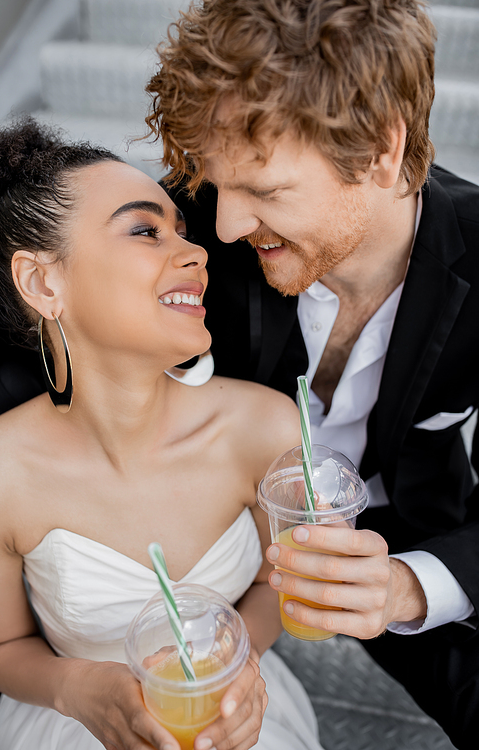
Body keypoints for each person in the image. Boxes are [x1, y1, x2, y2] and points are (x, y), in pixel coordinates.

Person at [140, 0, 478, 748]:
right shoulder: (199, 223)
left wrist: (409, 584)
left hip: (396, 533)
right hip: (207, 539)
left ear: (383, 152)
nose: (226, 224)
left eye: (265, 191)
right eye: (216, 182)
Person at [0, 118, 323, 750]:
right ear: (41, 282)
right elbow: (0, 647)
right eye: (144, 231)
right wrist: (77, 689)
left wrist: (242, 663)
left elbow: (285, 588)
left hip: (235, 715)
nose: (195, 253)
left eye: (181, 232)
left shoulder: (267, 427)